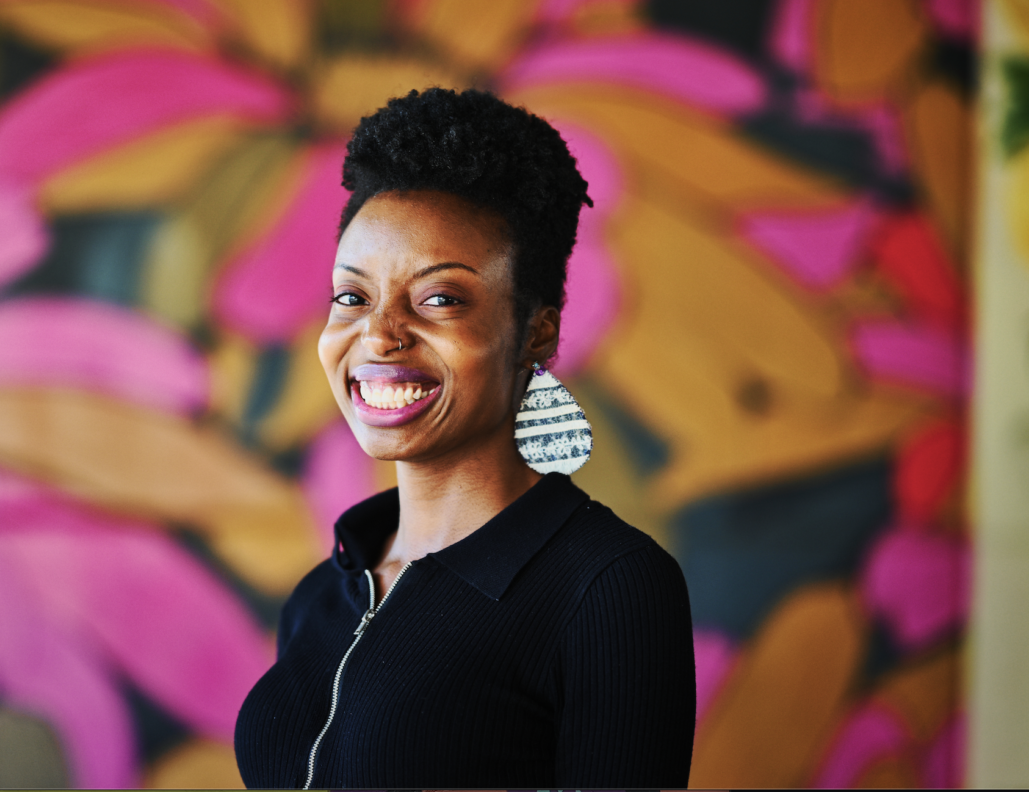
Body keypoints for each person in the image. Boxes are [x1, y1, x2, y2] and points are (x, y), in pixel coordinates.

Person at [234, 88, 696, 789]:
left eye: (439, 299)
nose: (380, 334)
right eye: (352, 297)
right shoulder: (322, 595)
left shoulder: (607, 586)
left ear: (536, 330)